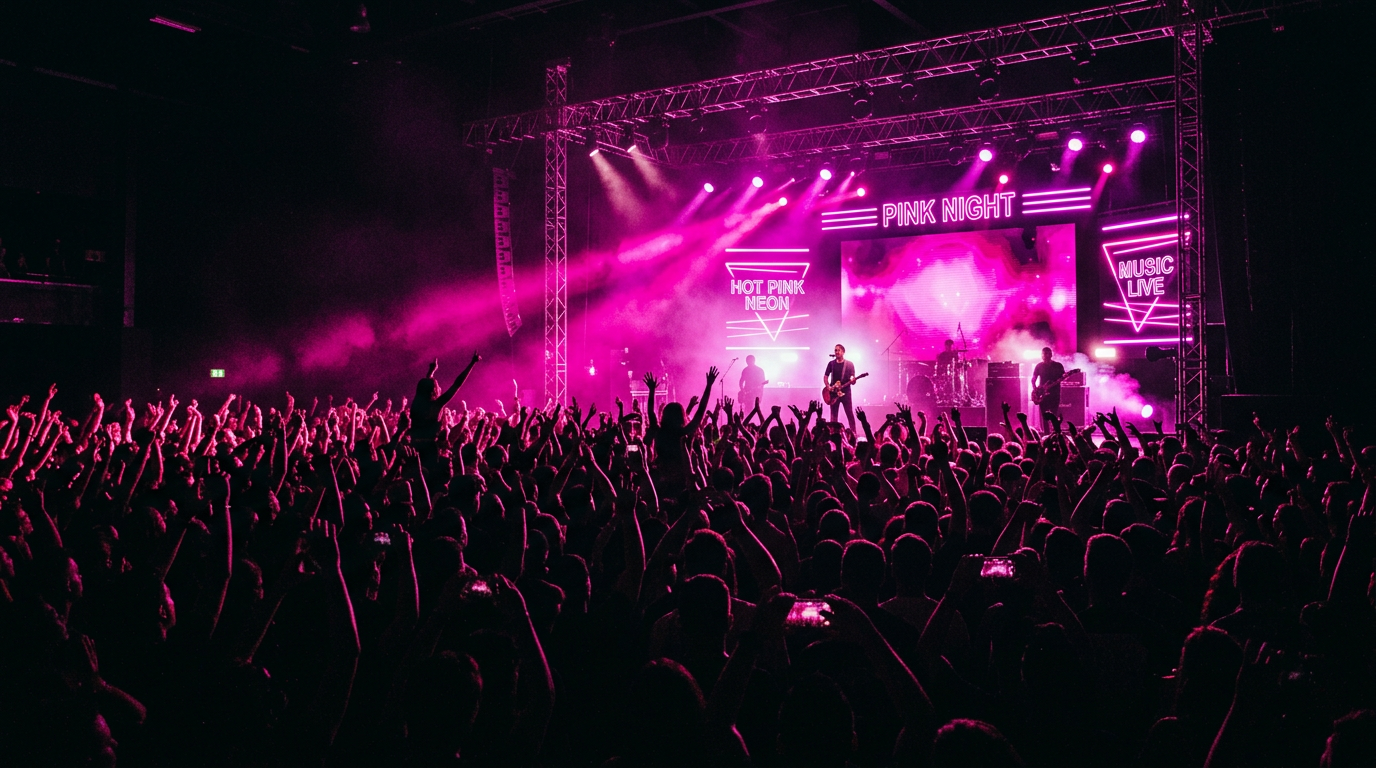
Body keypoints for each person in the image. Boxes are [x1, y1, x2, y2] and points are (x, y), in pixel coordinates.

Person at [822, 344, 857, 432]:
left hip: (846, 393)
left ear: (843, 352)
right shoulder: (831, 364)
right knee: (833, 415)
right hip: (833, 393)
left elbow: (853, 379)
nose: (837, 352)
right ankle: (833, 434)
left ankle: (853, 433)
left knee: (849, 413)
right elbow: (826, 376)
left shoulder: (849, 364)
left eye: (838, 350)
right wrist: (828, 386)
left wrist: (852, 380)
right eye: (835, 350)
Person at [1030, 346, 1065, 430]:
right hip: (1043, 394)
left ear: (1051, 354)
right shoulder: (1039, 366)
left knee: (1054, 414)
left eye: (1047, 353)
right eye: (1044, 354)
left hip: (1055, 393)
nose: (1045, 356)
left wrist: (1065, 377)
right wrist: (1035, 390)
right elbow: (1033, 379)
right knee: (1044, 416)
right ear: (1041, 355)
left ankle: (1055, 433)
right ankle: (1046, 434)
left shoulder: (1058, 365)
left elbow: (1063, 377)